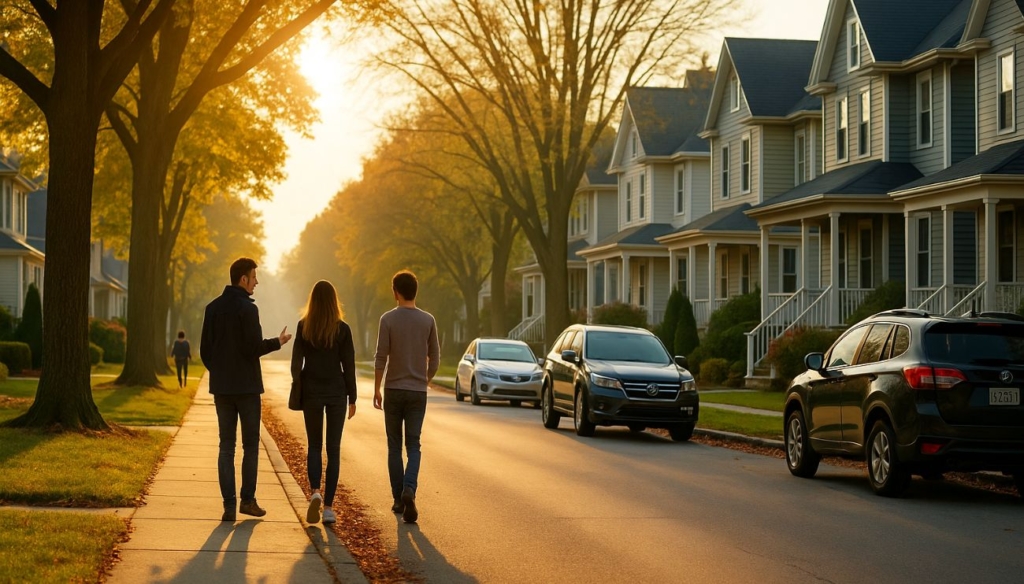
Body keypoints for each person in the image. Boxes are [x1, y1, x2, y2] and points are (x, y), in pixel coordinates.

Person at [200, 257, 291, 522]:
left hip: (222, 389)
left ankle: (229, 505)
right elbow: (253, 348)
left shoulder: (212, 309)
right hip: (248, 389)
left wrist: (218, 372)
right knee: (250, 445)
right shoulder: (249, 310)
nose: (257, 282)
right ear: (243, 279)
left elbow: (205, 351)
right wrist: (278, 341)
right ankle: (247, 501)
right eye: (254, 277)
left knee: (226, 446)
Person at [373, 270, 440, 524]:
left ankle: (398, 499)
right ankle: (409, 488)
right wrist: (426, 379)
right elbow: (435, 357)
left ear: (396, 292)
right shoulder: (428, 320)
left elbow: (381, 357)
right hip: (417, 392)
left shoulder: (387, 319)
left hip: (393, 390)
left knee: (393, 445)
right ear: (415, 292)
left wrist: (377, 388)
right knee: (414, 445)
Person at [291, 280, 357, 525]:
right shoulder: (343, 330)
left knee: (314, 446)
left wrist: (297, 387)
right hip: (337, 392)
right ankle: (328, 508)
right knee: (334, 449)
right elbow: (348, 366)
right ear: (333, 301)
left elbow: (296, 364)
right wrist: (353, 398)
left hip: (311, 392)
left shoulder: (303, 327)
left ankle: (315, 492)